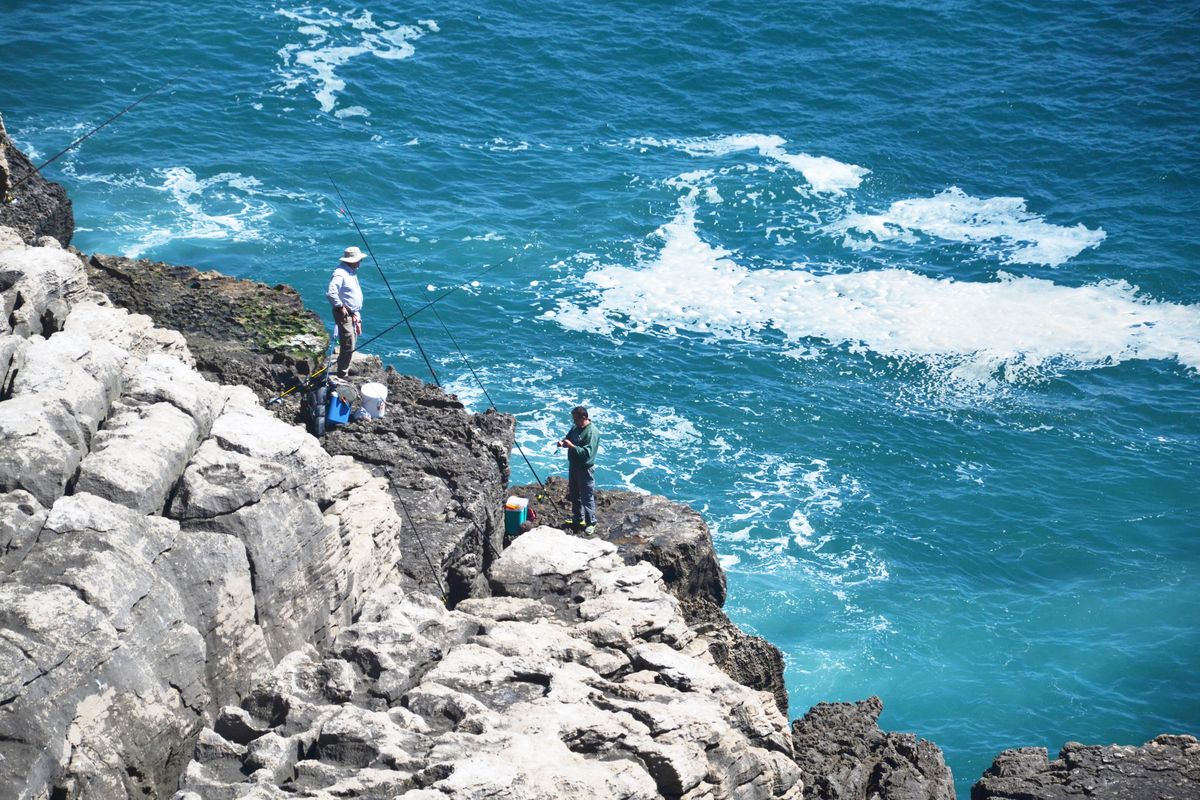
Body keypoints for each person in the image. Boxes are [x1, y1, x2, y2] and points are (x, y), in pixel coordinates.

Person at [557, 405, 599, 534]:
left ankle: (591, 522)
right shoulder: (576, 427)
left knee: (586, 496)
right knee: (574, 494)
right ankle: (577, 518)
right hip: (573, 466)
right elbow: (568, 439)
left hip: (585, 469)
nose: (574, 422)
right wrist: (563, 443)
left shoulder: (591, 432)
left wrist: (572, 447)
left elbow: (587, 453)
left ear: (584, 418)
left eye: (576, 419)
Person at [326, 246, 365, 380]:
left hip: (352, 313)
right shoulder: (340, 273)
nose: (360, 262)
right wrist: (339, 306)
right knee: (348, 343)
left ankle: (345, 366)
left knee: (352, 341)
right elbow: (331, 293)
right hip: (345, 314)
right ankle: (342, 373)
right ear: (352, 260)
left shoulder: (351, 271)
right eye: (359, 259)